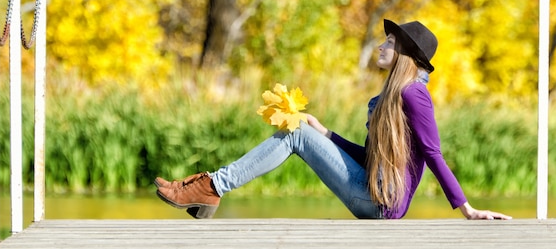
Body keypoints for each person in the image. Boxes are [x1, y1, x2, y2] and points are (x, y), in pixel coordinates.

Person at [154, 19, 512, 220]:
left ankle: (212, 188)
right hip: (374, 195)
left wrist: (467, 209)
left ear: (404, 53)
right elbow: (372, 160)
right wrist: (324, 131)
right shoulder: (390, 97)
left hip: (381, 203)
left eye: (388, 43)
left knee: (293, 136)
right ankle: (211, 189)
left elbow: (433, 154)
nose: (381, 47)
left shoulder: (413, 94)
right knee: (301, 129)